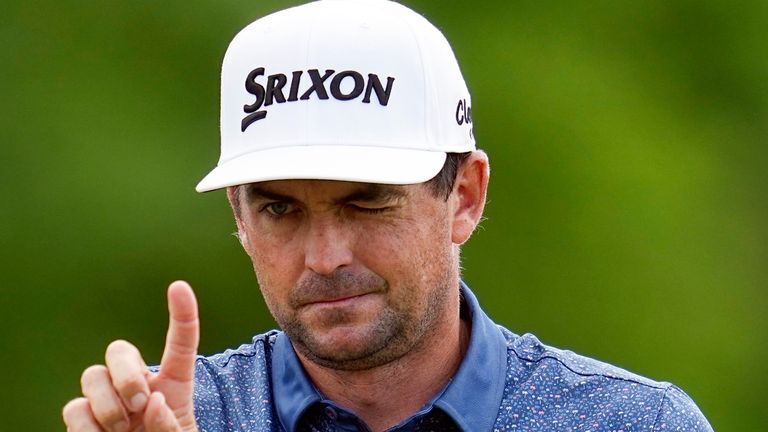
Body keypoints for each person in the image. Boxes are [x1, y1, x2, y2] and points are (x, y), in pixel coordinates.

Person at [62, 1, 714, 431]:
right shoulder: (171, 420)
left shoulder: (628, 422)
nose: (324, 257)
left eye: (367, 201)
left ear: (464, 195)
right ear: (238, 215)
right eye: (279, 209)